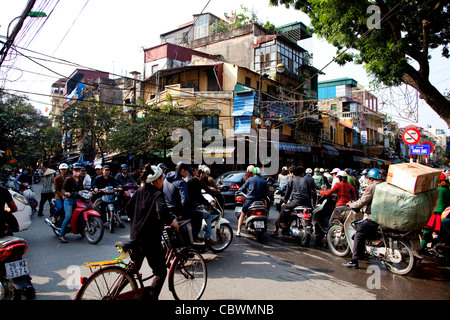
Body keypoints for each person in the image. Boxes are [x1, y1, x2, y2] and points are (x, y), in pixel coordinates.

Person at [125, 164, 178, 300]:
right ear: (158, 180)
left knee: (131, 271)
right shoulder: (157, 193)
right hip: (150, 239)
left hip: (135, 236)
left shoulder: (139, 192)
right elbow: (162, 213)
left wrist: (139, 219)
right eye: (162, 178)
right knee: (160, 272)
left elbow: (128, 209)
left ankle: (115, 291)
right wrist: (172, 221)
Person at [342, 168, 384, 268]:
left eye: (369, 178)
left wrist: (352, 205)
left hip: (374, 217)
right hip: (385, 217)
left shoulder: (372, 187)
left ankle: (354, 260)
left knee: (359, 235)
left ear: (372, 178)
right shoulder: (385, 185)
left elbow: (362, 201)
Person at [163, 162, 203, 242]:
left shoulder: (166, 180)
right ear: (182, 170)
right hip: (177, 211)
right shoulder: (182, 182)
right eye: (187, 171)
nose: (188, 173)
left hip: (168, 210)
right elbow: (185, 201)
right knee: (199, 215)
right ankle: (194, 238)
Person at [274, 166, 312, 237]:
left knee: (284, 207)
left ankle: (283, 223)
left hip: (296, 201)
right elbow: (309, 192)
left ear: (293, 173)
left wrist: (284, 201)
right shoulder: (305, 180)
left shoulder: (292, 180)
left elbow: (288, 192)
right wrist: (310, 203)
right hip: (306, 201)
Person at [186, 164, 217, 246]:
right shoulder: (195, 180)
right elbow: (199, 196)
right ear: (195, 170)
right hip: (190, 207)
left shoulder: (184, 179)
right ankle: (207, 238)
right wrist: (209, 203)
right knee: (208, 216)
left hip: (185, 206)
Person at [420, 173, 450, 249]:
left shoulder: (438, 190)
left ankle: (420, 249)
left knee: (426, 232)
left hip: (436, 214)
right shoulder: (448, 190)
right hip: (445, 214)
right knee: (439, 233)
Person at [236, 167, 269, 237]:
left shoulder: (250, 179)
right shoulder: (264, 181)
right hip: (260, 200)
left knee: (242, 214)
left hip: (249, 200)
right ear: (260, 173)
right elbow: (266, 193)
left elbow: (242, 189)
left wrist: (239, 190)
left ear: (253, 173)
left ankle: (238, 231)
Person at [58, 163, 84, 243]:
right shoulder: (68, 179)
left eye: (79, 170)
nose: (77, 171)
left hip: (77, 199)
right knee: (68, 216)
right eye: (76, 170)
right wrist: (65, 193)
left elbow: (82, 189)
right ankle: (61, 234)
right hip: (69, 200)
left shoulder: (80, 179)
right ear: (73, 170)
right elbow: (63, 189)